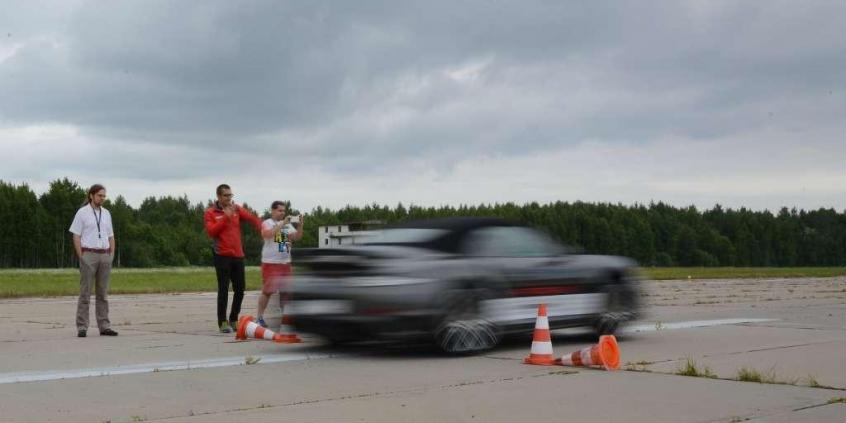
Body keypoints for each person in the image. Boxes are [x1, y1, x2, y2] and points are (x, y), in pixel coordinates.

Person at [204, 184, 262, 333]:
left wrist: (262, 227)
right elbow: (211, 232)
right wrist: (225, 217)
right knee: (223, 289)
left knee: (240, 289)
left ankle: (234, 319)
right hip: (222, 255)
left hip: (238, 255)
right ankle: (223, 322)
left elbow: (252, 218)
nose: (229, 198)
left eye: (231, 195)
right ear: (218, 196)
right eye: (226, 195)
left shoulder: (237, 209)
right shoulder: (210, 212)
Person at [69, 184, 118, 337]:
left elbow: (111, 236)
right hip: (89, 254)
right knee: (85, 293)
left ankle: (104, 326)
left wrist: (111, 255)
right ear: (91, 195)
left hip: (104, 255)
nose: (102, 198)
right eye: (99, 195)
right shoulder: (82, 213)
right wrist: (81, 256)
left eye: (104, 196)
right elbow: (76, 235)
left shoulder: (106, 213)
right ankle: (82, 326)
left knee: (102, 293)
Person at [256, 201, 304, 327]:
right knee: (268, 291)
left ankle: (286, 317)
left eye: (284, 211)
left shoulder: (286, 224)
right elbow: (267, 235)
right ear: (272, 210)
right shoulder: (267, 223)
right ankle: (259, 317)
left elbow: (296, 237)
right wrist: (282, 224)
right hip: (271, 262)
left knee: (286, 292)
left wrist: (300, 225)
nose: (282, 213)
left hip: (285, 262)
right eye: (280, 210)